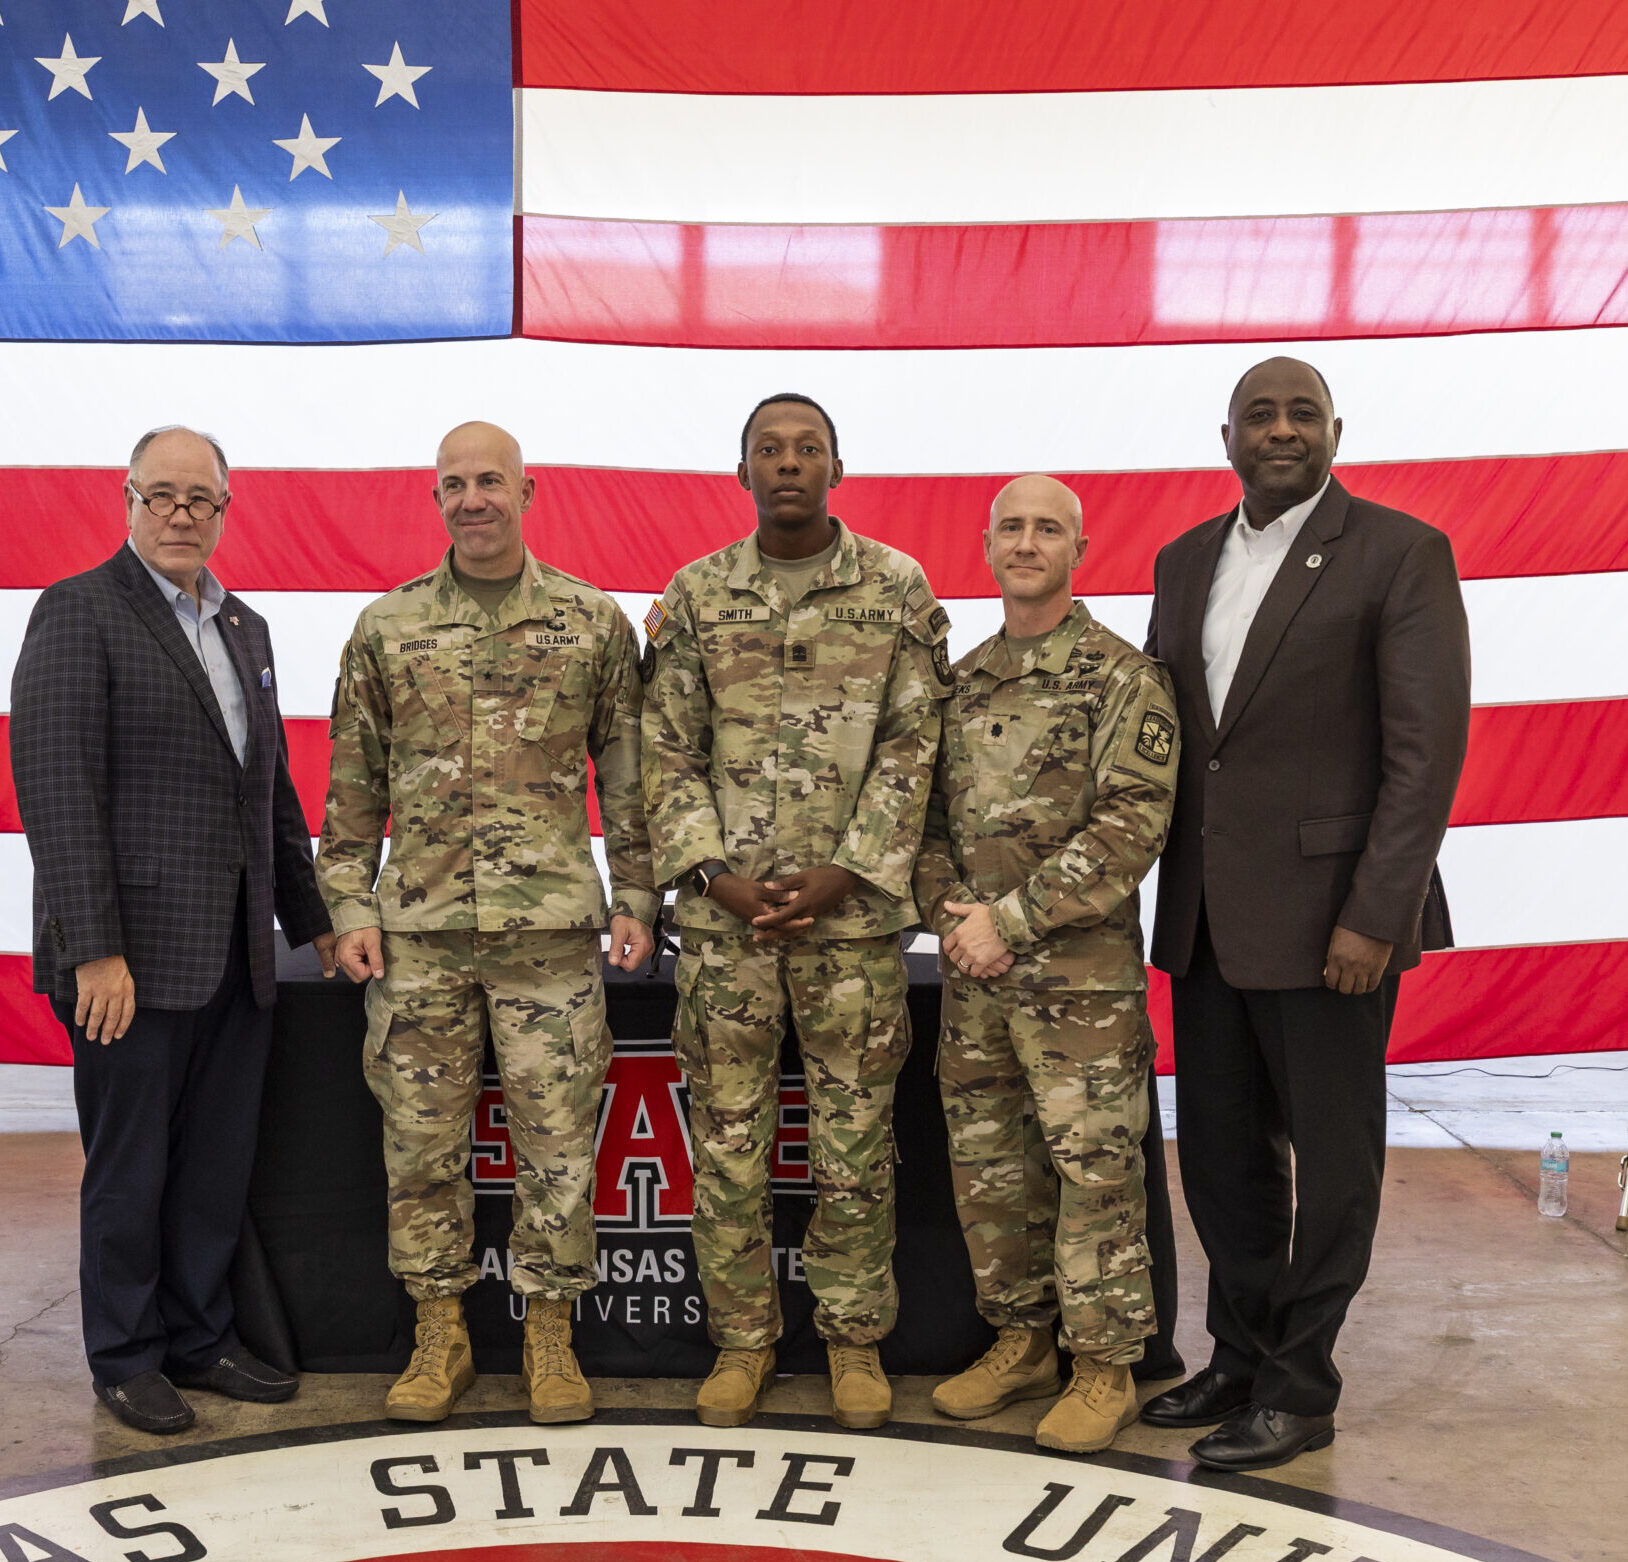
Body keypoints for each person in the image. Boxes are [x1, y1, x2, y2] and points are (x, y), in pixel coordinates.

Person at [1141, 358, 1470, 1469]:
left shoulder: (1398, 553)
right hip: (1203, 921)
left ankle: (1301, 1382)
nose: (1279, 431)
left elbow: (1422, 758)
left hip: (1334, 921)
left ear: (1335, 429)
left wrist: (1376, 912)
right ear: (1225, 436)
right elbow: (1168, 741)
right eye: (1258, 416)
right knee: (1223, 1161)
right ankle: (1235, 1356)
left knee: (1333, 1165)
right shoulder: (1183, 563)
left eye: (1300, 414)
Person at [318, 421, 658, 1427]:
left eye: (490, 482)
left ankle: (549, 1337)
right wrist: (347, 903)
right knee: (422, 1149)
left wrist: (637, 895)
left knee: (556, 1145)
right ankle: (442, 1336)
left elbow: (628, 780)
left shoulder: (592, 625)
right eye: (454, 484)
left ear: (527, 491)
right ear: (436, 499)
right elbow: (350, 791)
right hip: (418, 933)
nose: (472, 499)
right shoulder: (387, 629)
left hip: (548, 938)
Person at [10, 426, 336, 1435]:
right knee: (130, 1167)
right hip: (128, 964)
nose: (183, 514)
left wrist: (317, 927)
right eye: (163, 495)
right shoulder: (78, 612)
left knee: (211, 1167)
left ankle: (201, 1337)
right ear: (128, 501)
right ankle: (125, 1353)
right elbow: (56, 792)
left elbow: (270, 797)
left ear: (226, 509)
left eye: (202, 499)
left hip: (236, 958)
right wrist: (93, 949)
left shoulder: (245, 628)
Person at [641, 392, 954, 1430]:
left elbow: (916, 745)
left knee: (854, 1147)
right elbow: (665, 748)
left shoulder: (896, 588)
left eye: (806, 448)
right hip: (727, 930)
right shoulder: (694, 596)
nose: (788, 464)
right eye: (768, 450)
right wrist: (710, 873)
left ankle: (853, 1342)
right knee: (728, 1147)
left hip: (850, 929)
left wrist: (851, 871)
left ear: (835, 466)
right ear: (741, 474)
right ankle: (742, 1344)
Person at [912, 476, 1179, 1454]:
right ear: (986, 546)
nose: (1028, 542)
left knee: (1091, 1172)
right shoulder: (962, 680)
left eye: (1047, 528)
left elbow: (1130, 823)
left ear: (1079, 548)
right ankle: (1021, 1341)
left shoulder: (1121, 677)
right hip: (977, 984)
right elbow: (927, 818)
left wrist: (1008, 920)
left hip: (1080, 989)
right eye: (1012, 527)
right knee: (991, 1173)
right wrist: (948, 909)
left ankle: (1103, 1365)